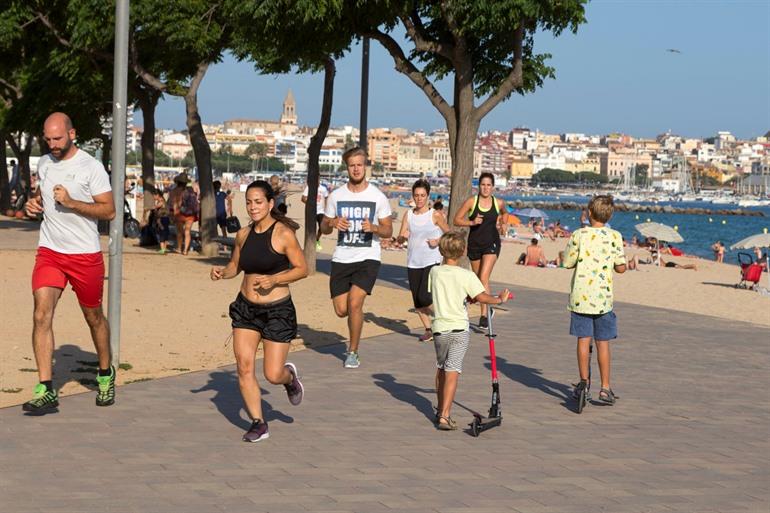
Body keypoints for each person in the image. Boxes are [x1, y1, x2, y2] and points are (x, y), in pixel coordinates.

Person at [22, 112, 117, 414]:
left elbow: (110, 211)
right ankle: (46, 388)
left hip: (84, 255)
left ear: (72, 134)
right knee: (41, 314)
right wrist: (34, 203)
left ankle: (105, 372)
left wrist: (73, 202)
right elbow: (42, 197)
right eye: (48, 139)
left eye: (57, 138)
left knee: (94, 318)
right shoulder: (45, 162)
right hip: (49, 251)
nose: (52, 144)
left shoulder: (91, 167)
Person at [210, 180, 308, 443]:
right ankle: (259, 423)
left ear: (269, 203)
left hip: (277, 311)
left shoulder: (283, 233)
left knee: (272, 374)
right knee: (244, 366)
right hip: (246, 309)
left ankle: (289, 378)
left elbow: (302, 268)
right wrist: (222, 272)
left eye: (258, 202)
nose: (253, 207)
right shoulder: (243, 234)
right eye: (249, 202)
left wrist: (275, 280)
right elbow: (235, 266)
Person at [428, 231, 511, 430]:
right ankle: (445, 415)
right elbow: (482, 297)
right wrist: (499, 299)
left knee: (441, 367)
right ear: (463, 251)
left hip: (440, 327)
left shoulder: (435, 272)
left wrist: (465, 297)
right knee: (453, 370)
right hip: (458, 328)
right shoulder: (466, 275)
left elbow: (441, 293)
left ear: (441, 250)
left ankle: (441, 410)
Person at [321, 147, 393, 369]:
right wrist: (332, 223)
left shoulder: (377, 197)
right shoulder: (336, 196)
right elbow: (323, 227)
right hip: (342, 258)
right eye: (352, 165)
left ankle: (353, 351)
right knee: (341, 310)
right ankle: (354, 323)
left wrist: (373, 227)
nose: (356, 169)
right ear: (347, 167)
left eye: (360, 164)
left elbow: (388, 231)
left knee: (354, 303)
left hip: (367, 258)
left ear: (365, 167)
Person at [563, 195, 626, 406]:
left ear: (589, 213)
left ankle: (583, 383)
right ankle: (605, 388)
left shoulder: (578, 235)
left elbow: (568, 262)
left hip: (581, 297)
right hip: (603, 299)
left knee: (583, 340)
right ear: (610, 215)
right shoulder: (615, 236)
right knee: (603, 343)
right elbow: (621, 267)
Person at [397, 179, 449, 343]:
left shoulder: (435, 215)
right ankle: (429, 330)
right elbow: (400, 237)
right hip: (413, 261)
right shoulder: (409, 214)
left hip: (431, 259)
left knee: (425, 297)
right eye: (416, 195)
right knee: (417, 301)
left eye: (422, 195)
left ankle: (443, 319)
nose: (419, 199)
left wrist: (438, 241)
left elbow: (449, 234)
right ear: (413, 196)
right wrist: (401, 237)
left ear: (428, 196)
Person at [452, 172, 505, 328]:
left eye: (489, 185)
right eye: (483, 185)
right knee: (478, 280)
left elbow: (506, 212)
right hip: (475, 244)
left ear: (493, 187)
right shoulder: (471, 202)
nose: (486, 188)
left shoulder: (498, 203)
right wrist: (472, 222)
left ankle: (483, 314)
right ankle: (489, 311)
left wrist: (504, 223)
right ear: (479, 186)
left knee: (483, 277)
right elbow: (457, 219)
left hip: (492, 244)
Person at [169, 172, 197, 255]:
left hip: (179, 214)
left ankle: (179, 248)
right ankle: (185, 250)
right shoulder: (189, 190)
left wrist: (174, 214)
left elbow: (174, 203)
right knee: (187, 231)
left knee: (180, 232)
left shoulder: (174, 191)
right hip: (190, 214)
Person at [301, 180, 329, 251]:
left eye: (318, 178)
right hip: (312, 211)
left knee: (322, 228)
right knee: (311, 229)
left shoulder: (323, 189)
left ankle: (317, 240)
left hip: (321, 211)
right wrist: (310, 202)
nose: (317, 180)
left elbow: (326, 199)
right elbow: (303, 198)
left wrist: (327, 209)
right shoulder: (309, 188)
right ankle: (310, 244)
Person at [151, 188, 170, 254]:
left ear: (157, 195)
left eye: (154, 195)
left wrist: (150, 208)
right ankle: (164, 249)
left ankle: (162, 249)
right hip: (164, 219)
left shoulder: (161, 201)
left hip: (163, 219)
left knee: (162, 233)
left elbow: (156, 207)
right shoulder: (161, 200)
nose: (153, 197)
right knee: (164, 233)